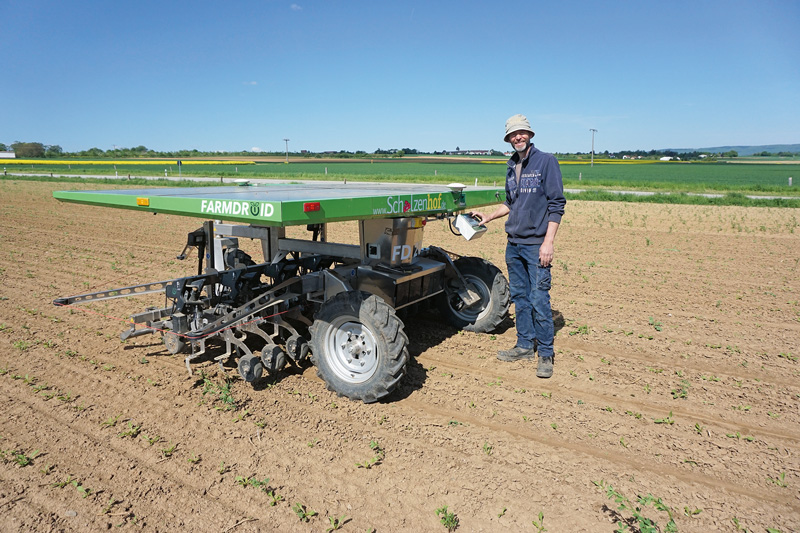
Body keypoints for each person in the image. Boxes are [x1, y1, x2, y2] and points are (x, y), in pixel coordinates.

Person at [471, 114, 566, 378]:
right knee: (521, 298)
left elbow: (557, 204)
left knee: (539, 299)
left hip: (536, 245)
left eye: (521, 133)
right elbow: (511, 203)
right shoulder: (512, 165)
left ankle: (545, 353)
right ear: (509, 139)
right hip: (514, 244)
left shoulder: (546, 162)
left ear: (530, 134)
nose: (518, 137)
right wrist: (489, 216)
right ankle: (524, 345)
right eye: (513, 135)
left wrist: (548, 242)